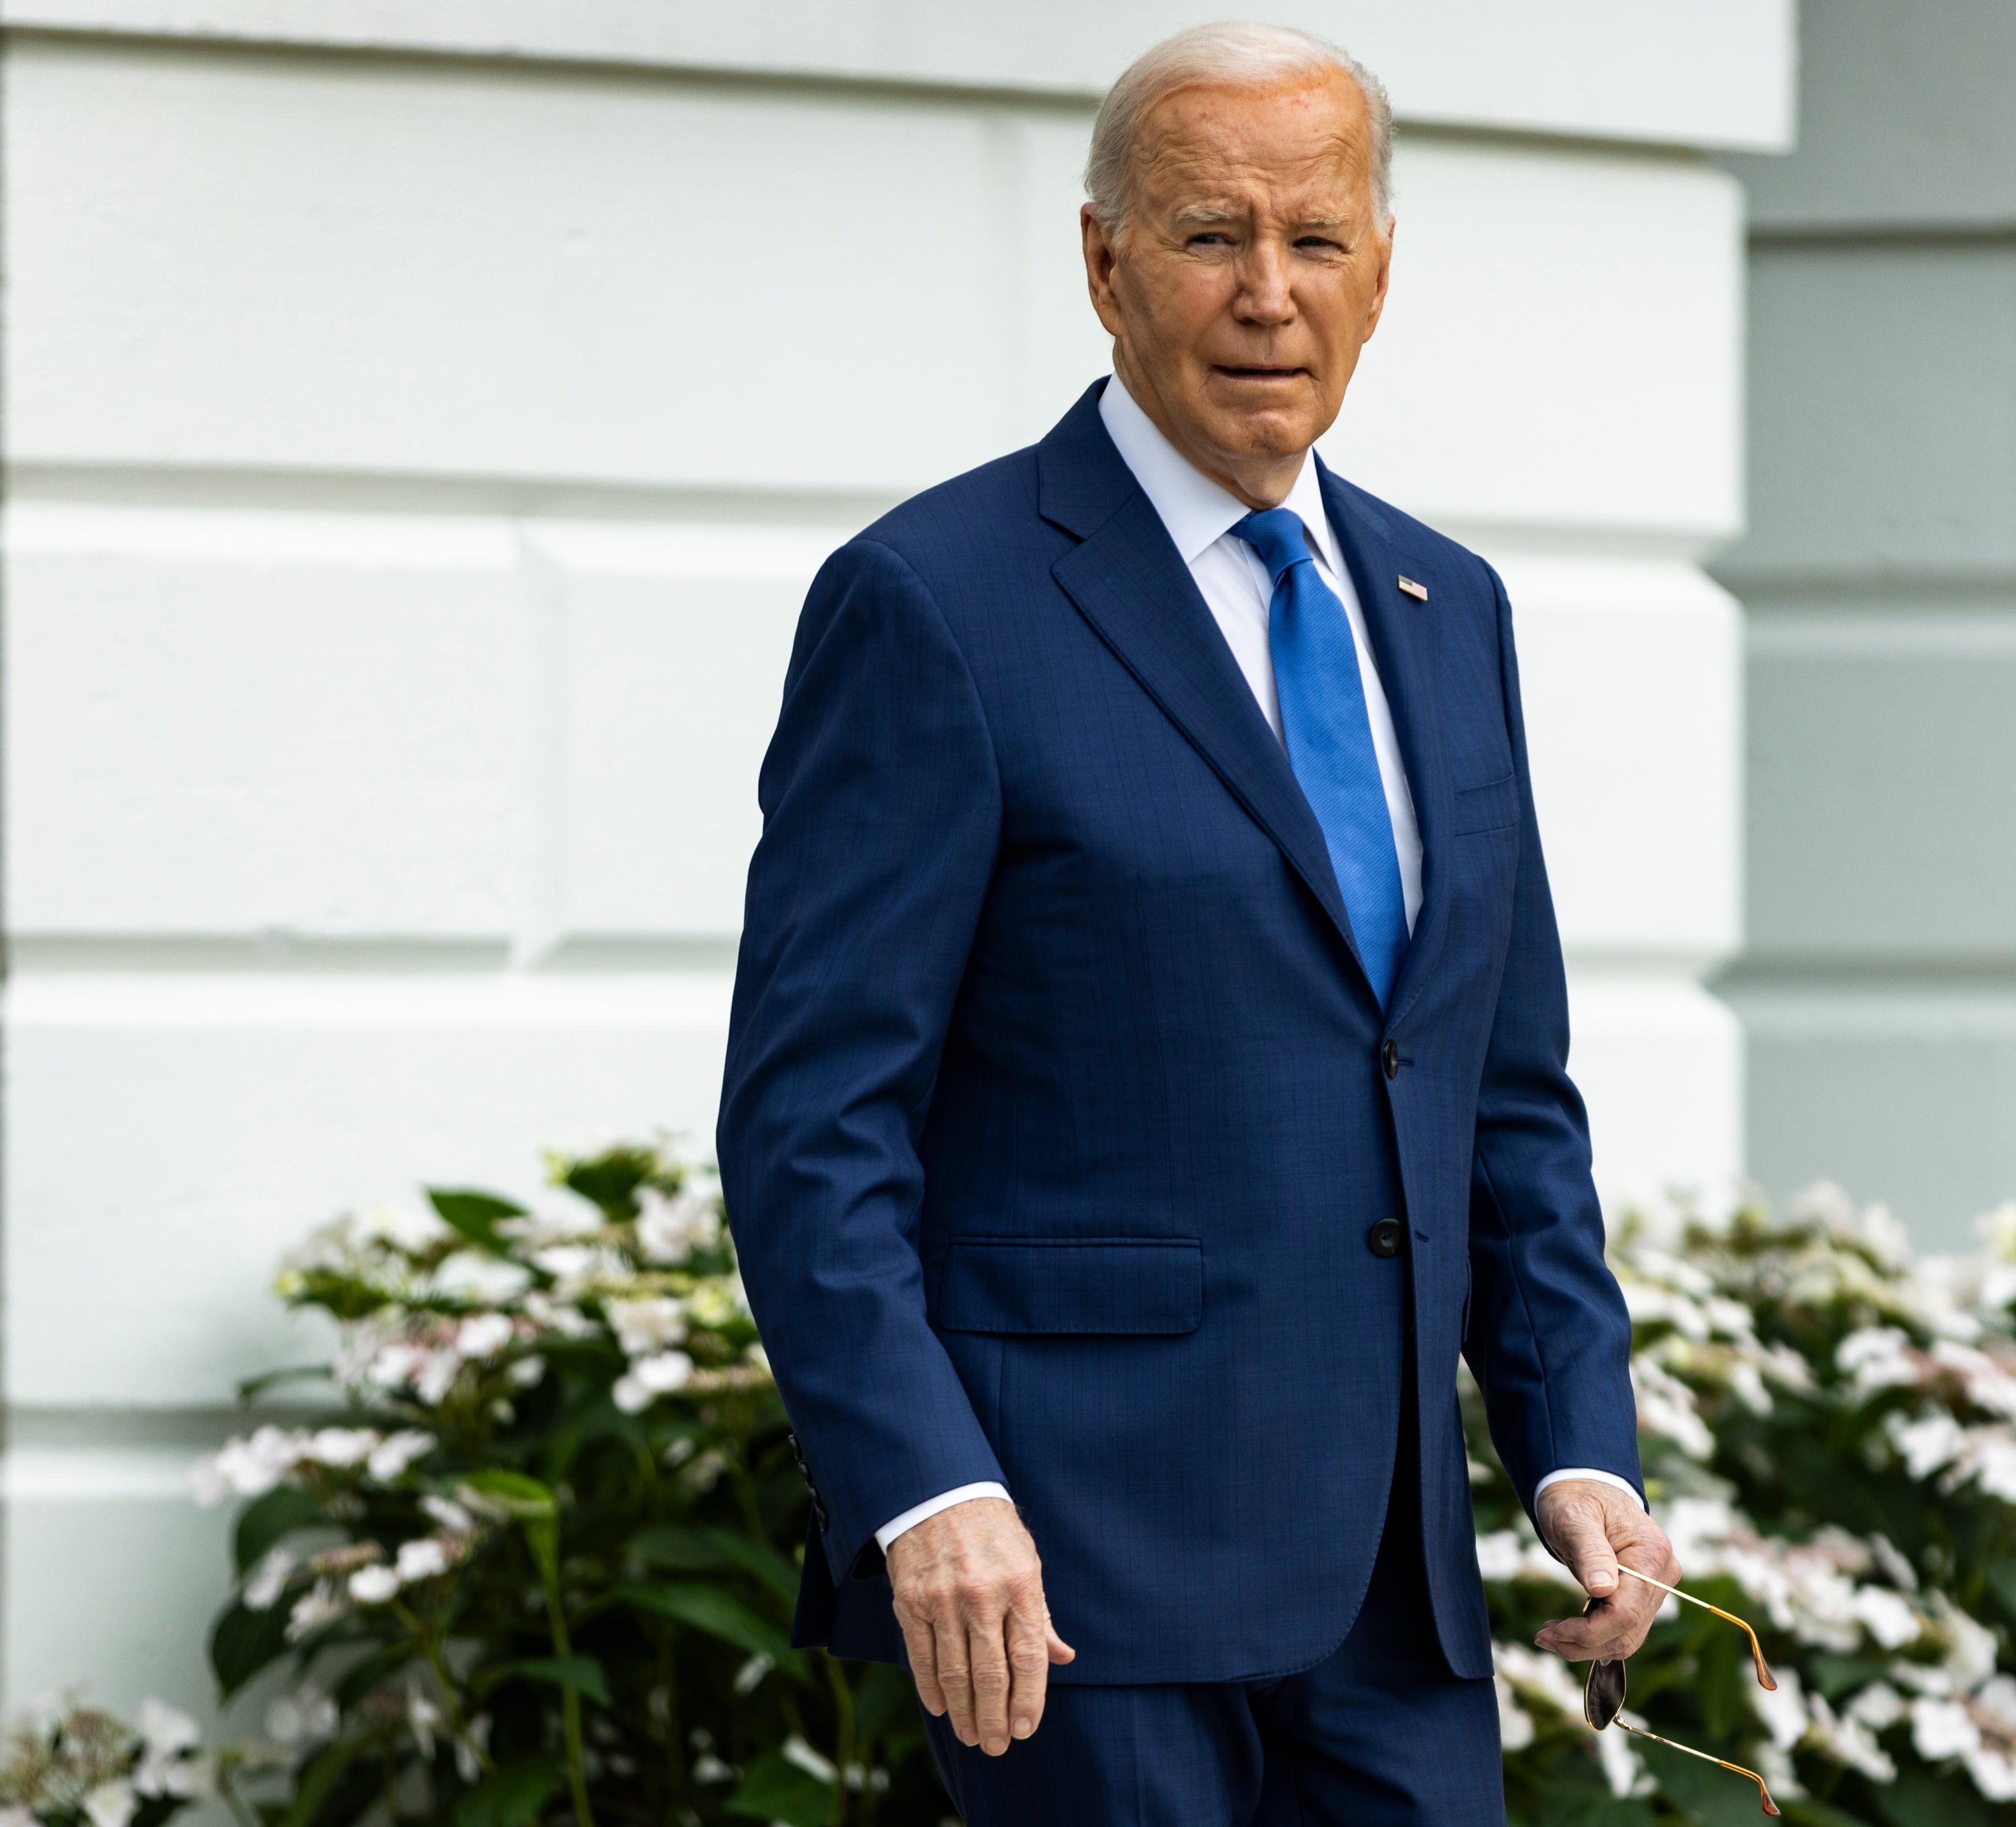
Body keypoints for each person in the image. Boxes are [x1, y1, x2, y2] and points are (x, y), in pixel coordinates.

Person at [717, 20, 1677, 1822]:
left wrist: (1574, 1443)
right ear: (1101, 262)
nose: (1265, 295)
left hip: (1398, 1596)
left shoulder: (1445, 603)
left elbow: (1499, 1090)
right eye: (1205, 236)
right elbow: (809, 1123)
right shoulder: (933, 602)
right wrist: (927, 1492)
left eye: (1314, 242)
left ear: (1379, 278)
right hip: (1069, 1584)